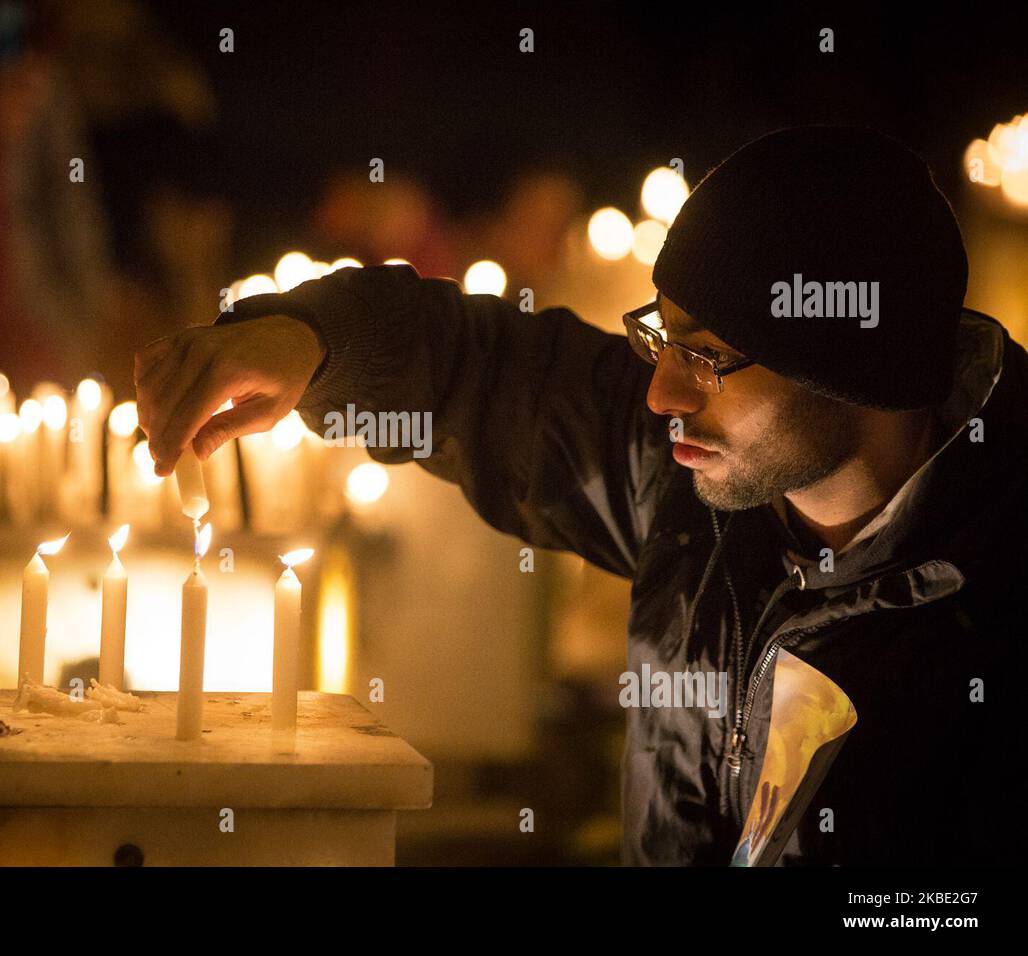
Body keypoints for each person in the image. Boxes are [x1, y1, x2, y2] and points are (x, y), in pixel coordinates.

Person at [134, 127, 1025, 865]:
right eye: (658, 338)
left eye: (705, 355)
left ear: (847, 368)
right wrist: (314, 342)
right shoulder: (690, 493)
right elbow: (482, 372)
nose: (661, 396)